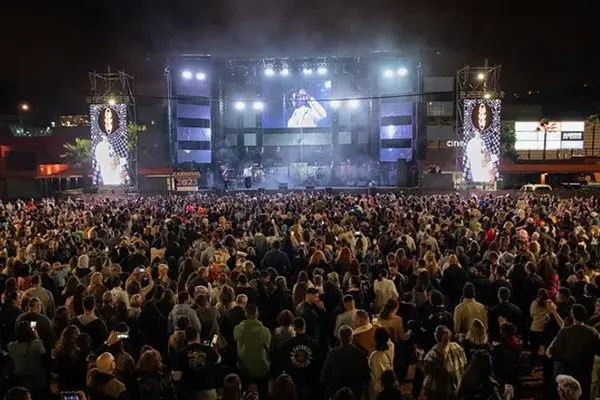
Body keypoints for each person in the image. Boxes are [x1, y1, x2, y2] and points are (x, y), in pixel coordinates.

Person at [548, 304, 600, 400]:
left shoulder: (565, 332)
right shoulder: (593, 332)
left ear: (572, 315)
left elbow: (551, 352)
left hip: (568, 372)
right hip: (586, 372)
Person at [274, 317, 321, 400]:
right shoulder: (314, 345)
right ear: (305, 327)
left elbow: (282, 363)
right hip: (309, 382)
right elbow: (318, 365)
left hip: (294, 382)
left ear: (294, 328)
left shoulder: (287, 345)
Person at [321, 325, 370, 400]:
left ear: (340, 337)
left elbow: (325, 374)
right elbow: (366, 376)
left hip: (337, 392)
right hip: (355, 393)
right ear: (351, 337)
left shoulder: (333, 354)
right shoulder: (360, 354)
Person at [233, 304, 271, 398]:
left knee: (244, 390)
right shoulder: (265, 331)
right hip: (261, 367)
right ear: (257, 314)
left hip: (243, 367)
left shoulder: (238, 329)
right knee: (263, 390)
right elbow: (268, 347)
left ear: (246, 314)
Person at [174, 326, 221, 400]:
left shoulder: (180, 354)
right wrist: (214, 349)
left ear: (186, 338)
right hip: (208, 390)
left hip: (190, 392)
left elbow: (176, 377)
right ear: (198, 335)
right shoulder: (208, 349)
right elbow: (218, 360)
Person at [422, 325, 467, 400]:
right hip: (457, 389)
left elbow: (427, 373)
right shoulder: (457, 347)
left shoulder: (432, 354)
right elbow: (465, 362)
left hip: (439, 392)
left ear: (435, 337)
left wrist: (420, 359)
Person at [7, 321, 49, 397]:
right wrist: (36, 335)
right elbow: (44, 358)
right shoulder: (37, 344)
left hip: (19, 380)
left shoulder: (11, 346)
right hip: (37, 379)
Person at [368, 327, 394, 399]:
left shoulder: (375, 355)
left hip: (379, 388)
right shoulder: (391, 346)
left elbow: (376, 375)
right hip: (390, 382)